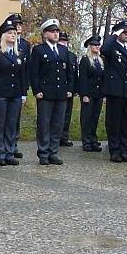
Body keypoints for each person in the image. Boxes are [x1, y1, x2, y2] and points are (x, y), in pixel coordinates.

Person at [28, 18, 74, 165]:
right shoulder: (39, 50)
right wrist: (37, 90)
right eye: (52, 31)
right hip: (46, 93)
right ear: (45, 34)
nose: (56, 34)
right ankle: (43, 153)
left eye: (57, 31)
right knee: (44, 124)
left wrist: (70, 89)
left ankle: (53, 152)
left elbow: (70, 72)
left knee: (57, 124)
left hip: (61, 93)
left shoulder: (63, 50)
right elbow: (34, 72)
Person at [0, 19, 27, 166]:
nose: (13, 35)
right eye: (9, 33)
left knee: (11, 124)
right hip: (0, 94)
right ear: (3, 36)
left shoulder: (20, 54)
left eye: (14, 33)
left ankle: (9, 153)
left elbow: (23, 75)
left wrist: (23, 93)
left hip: (15, 94)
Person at [100, 21, 127, 163]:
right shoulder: (112, 47)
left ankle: (125, 150)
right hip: (115, 91)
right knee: (114, 122)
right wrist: (114, 35)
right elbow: (103, 50)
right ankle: (115, 150)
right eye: (124, 32)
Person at [4, 13, 30, 159]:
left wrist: (25, 87)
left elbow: (26, 68)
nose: (18, 26)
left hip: (20, 85)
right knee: (6, 118)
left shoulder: (25, 44)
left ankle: (14, 144)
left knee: (16, 117)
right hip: (6, 86)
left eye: (20, 24)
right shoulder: (3, 42)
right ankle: (6, 145)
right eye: (15, 24)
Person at [78, 35, 104, 152]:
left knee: (95, 118)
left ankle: (93, 139)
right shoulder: (85, 59)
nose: (97, 47)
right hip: (88, 94)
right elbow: (82, 78)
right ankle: (86, 141)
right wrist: (84, 95)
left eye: (98, 45)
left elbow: (103, 78)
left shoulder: (100, 60)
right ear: (90, 46)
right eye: (94, 45)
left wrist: (103, 95)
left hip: (98, 94)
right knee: (87, 118)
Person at [58, 31, 78, 147]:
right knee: (57, 115)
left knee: (67, 115)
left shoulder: (71, 56)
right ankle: (55, 136)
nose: (63, 43)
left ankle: (64, 137)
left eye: (65, 41)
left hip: (68, 89)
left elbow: (73, 75)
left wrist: (72, 89)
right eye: (61, 40)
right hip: (57, 89)